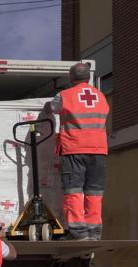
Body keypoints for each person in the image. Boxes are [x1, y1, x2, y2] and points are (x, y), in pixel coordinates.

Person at [45, 62, 110, 240]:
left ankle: (78, 232)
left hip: (74, 148)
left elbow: (51, 108)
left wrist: (46, 106)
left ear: (71, 78)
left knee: (74, 190)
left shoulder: (64, 96)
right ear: (88, 78)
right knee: (94, 192)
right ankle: (94, 231)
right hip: (98, 150)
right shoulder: (100, 96)